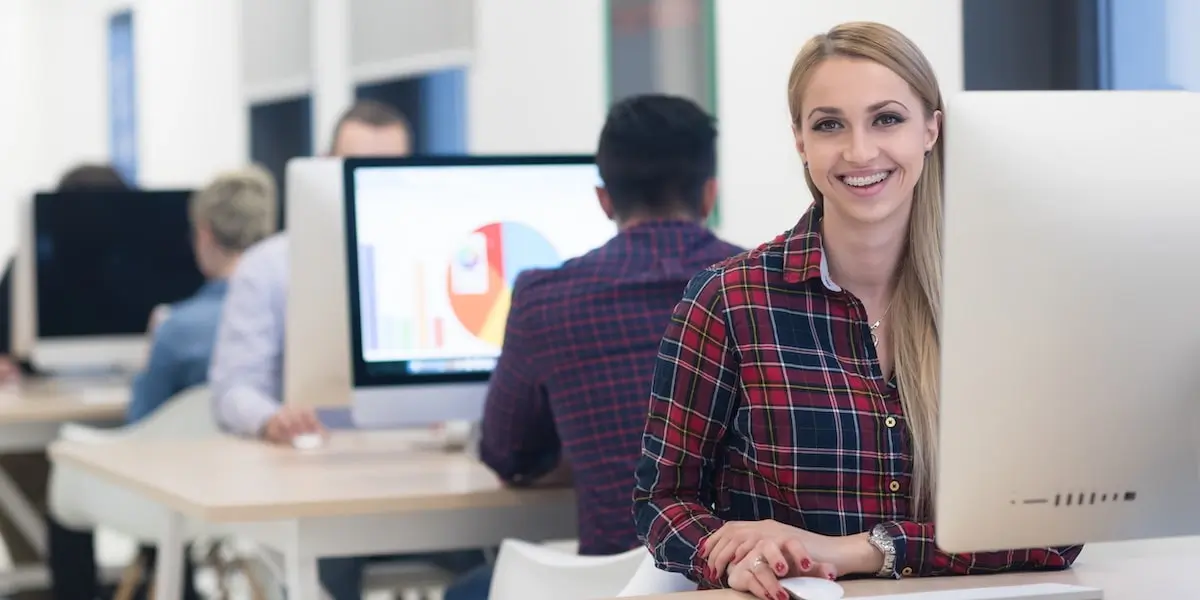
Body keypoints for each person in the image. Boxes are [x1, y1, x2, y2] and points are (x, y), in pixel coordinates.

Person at [631, 21, 1083, 600]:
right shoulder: (728, 301)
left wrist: (852, 551)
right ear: (800, 140)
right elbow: (663, 501)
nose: (859, 151)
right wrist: (730, 557)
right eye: (829, 125)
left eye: (886, 119)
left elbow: (1057, 524)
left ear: (931, 130)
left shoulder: (998, 300)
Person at [464, 94, 742, 598]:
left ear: (604, 199)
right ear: (709, 195)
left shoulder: (543, 299)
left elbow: (506, 455)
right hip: (737, 580)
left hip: (610, 586)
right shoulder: (761, 290)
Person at [209, 100, 486, 600]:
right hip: (321, 486)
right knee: (327, 576)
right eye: (353, 168)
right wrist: (273, 419)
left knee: (499, 567)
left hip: (431, 482)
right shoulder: (268, 267)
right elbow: (232, 388)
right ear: (323, 165)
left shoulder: (444, 259)